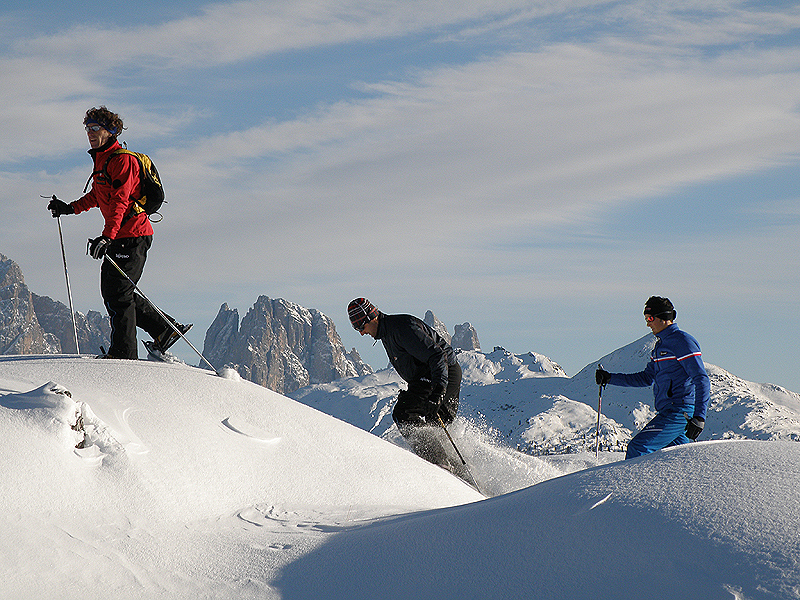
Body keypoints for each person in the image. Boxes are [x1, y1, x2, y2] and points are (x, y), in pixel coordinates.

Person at [47, 106, 190, 359]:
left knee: (118, 293)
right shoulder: (103, 160)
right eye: (87, 128)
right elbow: (99, 195)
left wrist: (107, 236)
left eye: (95, 128)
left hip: (133, 235)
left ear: (110, 131)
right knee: (117, 290)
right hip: (122, 236)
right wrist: (70, 208)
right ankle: (164, 331)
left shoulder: (122, 160)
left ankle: (124, 353)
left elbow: (120, 201)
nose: (89, 133)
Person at [347, 298, 463, 470]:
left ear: (371, 318)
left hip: (444, 373)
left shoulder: (402, 328)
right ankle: (447, 466)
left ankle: (442, 465)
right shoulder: (387, 333)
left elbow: (437, 356)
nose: (361, 333)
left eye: (360, 327)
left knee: (407, 413)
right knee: (427, 421)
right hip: (428, 377)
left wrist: (438, 390)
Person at [595, 296, 710, 459]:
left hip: (679, 410)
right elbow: (646, 378)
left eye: (650, 318)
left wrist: (699, 416)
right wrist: (609, 378)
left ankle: (629, 485)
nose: (647, 323)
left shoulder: (682, 341)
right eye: (645, 318)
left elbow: (701, 379)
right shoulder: (659, 346)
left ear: (664, 318)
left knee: (638, 447)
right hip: (668, 410)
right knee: (678, 459)